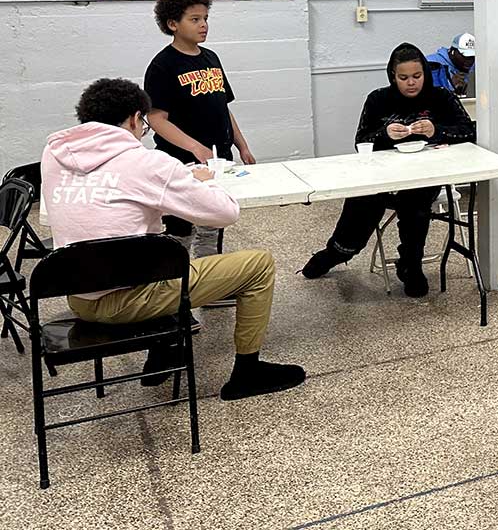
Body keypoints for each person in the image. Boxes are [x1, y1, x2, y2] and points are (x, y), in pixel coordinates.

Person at [41, 78, 305, 401]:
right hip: (131, 298)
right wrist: (199, 182)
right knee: (259, 265)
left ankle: (166, 351)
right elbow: (225, 213)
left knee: (153, 247)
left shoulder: (53, 156)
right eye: (145, 128)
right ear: (137, 119)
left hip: (77, 295)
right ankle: (247, 372)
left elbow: (105, 207)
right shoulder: (147, 163)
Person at [302, 44, 476, 294]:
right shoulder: (378, 99)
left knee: (416, 204)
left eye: (417, 76)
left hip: (424, 175)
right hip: (382, 175)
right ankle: (336, 252)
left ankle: (411, 264)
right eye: (403, 78)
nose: (411, 83)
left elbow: (469, 131)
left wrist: (437, 130)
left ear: (425, 73)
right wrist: (384, 134)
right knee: (363, 200)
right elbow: (361, 140)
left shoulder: (441, 97)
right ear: (392, 76)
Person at [145, 0, 254, 259]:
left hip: (218, 158)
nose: (203, 25)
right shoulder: (162, 66)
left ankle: (210, 283)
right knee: (180, 227)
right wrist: (195, 147)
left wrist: (242, 145)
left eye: (205, 18)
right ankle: (175, 282)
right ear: (172, 24)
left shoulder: (211, 58)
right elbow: (156, 119)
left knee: (212, 223)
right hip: (181, 160)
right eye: (194, 19)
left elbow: (223, 107)